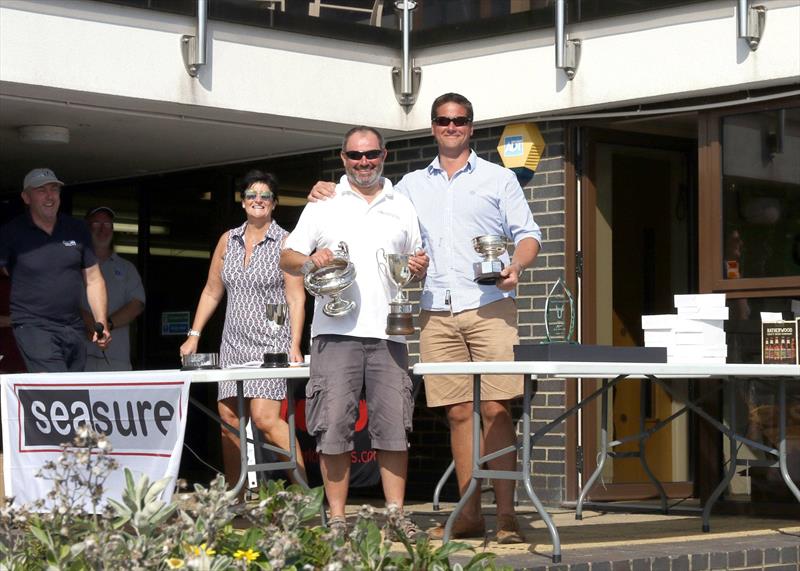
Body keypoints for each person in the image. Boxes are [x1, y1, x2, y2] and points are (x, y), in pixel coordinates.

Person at [308, 93, 542, 544]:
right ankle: (470, 514)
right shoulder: (409, 185)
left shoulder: (500, 179)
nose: (452, 127)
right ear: (433, 127)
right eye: (443, 120)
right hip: (436, 310)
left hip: (489, 304)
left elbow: (528, 233)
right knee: (457, 414)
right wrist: (327, 187)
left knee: (495, 409)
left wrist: (517, 265)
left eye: (460, 120)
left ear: (472, 126)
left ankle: (508, 517)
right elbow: (363, 187)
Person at [280, 126, 429, 539]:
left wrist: (419, 268)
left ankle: (396, 516)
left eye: (371, 155)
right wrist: (311, 259)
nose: (364, 162)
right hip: (334, 333)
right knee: (333, 428)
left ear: (385, 155)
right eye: (355, 155)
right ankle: (339, 518)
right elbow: (287, 257)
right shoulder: (324, 203)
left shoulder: (403, 204)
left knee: (394, 429)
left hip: (390, 334)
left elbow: (416, 261)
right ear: (343, 157)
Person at [180, 169, 307, 493]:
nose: (258, 201)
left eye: (265, 196)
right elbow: (211, 291)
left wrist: (294, 344)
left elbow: (295, 297)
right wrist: (193, 336)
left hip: (271, 343)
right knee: (229, 423)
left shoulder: (287, 242)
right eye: (252, 195)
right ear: (243, 202)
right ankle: (236, 497)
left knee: (265, 419)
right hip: (233, 343)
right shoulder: (228, 239)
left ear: (275, 204)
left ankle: (306, 493)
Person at [0, 168, 110, 372]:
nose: (49, 196)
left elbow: (94, 279)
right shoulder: (11, 233)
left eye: (54, 189)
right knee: (58, 388)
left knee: (74, 394)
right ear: (26, 197)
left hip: (72, 327)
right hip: (33, 326)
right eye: (41, 190)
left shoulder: (76, 228)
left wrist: (101, 321)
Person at [80, 206, 145, 371]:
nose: (103, 229)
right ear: (86, 228)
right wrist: (89, 324)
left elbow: (137, 304)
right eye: (96, 224)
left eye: (108, 224)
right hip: (79, 358)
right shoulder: (74, 266)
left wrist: (104, 326)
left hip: (116, 359)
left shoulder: (127, 268)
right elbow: (65, 304)